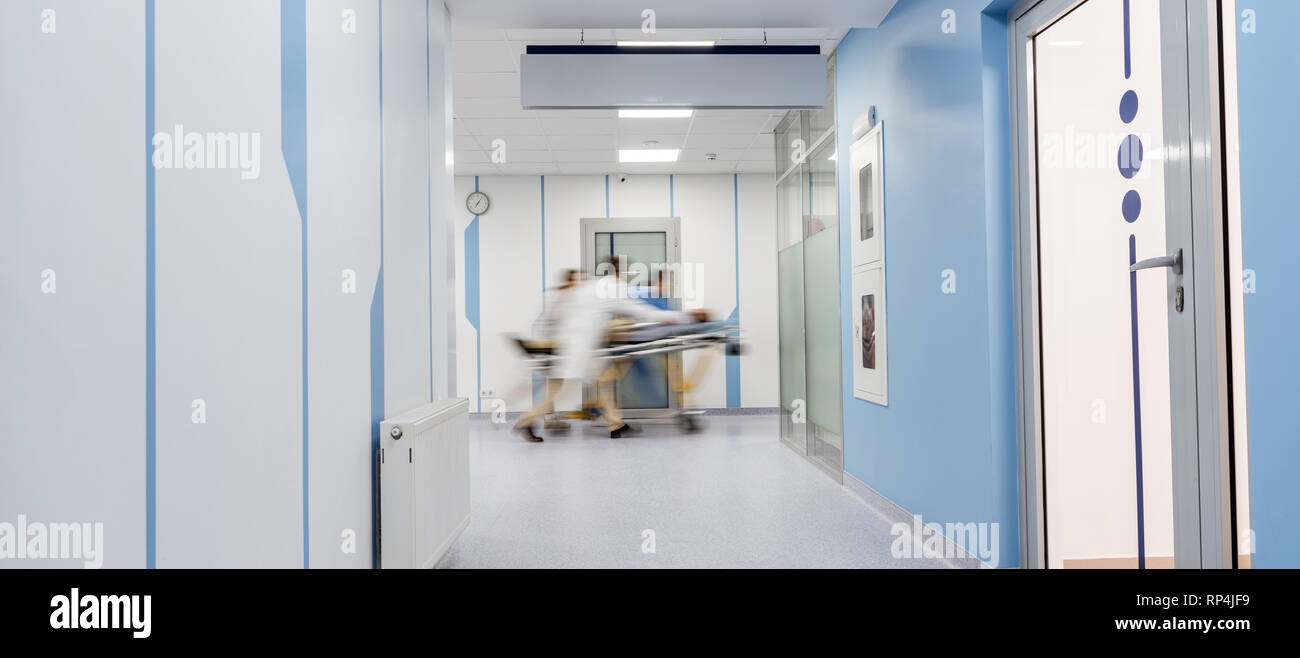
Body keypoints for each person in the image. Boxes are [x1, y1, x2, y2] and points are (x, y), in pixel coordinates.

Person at [514, 257, 696, 441]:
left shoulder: (591, 287)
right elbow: (638, 310)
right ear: (618, 272)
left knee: (601, 384)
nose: (625, 276)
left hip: (571, 344)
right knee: (563, 390)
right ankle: (526, 421)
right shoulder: (612, 288)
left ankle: (616, 425)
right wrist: (677, 318)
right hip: (579, 349)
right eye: (624, 272)